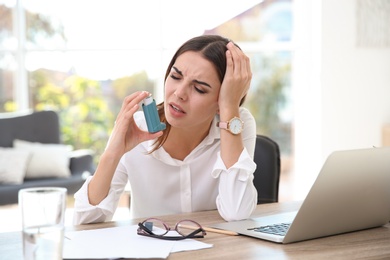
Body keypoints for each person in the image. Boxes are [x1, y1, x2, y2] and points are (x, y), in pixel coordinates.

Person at [73, 35, 258, 225]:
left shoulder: (237, 122)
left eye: (199, 89)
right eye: (175, 77)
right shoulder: (137, 126)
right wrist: (113, 153)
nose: (179, 93)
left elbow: (236, 212)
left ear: (222, 100)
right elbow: (85, 222)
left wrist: (228, 107)